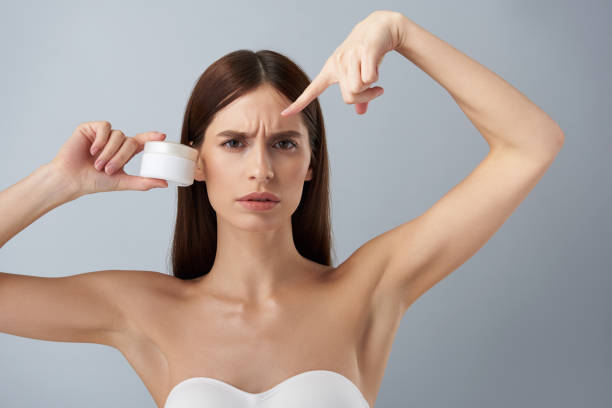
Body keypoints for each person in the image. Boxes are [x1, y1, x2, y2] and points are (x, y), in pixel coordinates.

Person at [0, 9, 564, 408]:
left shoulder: (369, 289)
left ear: (312, 164)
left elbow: (532, 143)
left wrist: (399, 31)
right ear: (194, 161)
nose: (261, 169)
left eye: (285, 143)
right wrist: (60, 182)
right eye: (234, 142)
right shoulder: (140, 308)